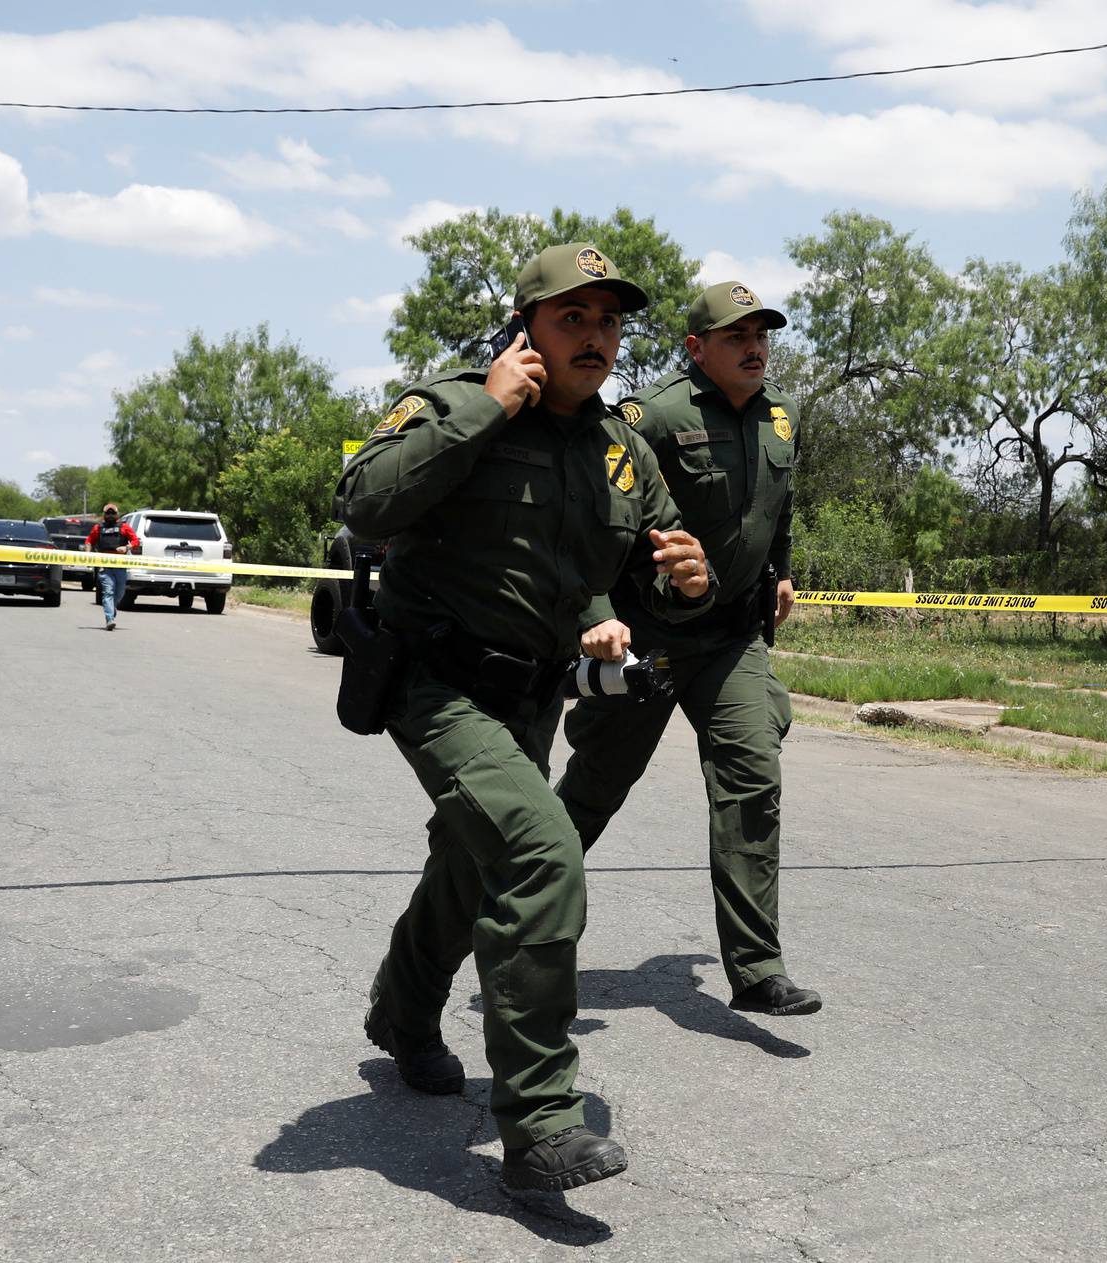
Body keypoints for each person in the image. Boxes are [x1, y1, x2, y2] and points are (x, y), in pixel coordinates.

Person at [339, 243, 714, 1193]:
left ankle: (403, 1010)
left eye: (610, 321)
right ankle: (542, 1123)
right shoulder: (456, 400)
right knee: (541, 852)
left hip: (533, 693)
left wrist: (684, 583)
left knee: (472, 861)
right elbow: (363, 502)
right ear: (528, 325)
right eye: (573, 318)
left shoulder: (623, 450)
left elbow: (642, 584)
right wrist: (486, 406)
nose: (596, 337)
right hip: (436, 684)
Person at [554, 280, 819, 1019]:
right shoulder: (655, 415)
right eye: (737, 336)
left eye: (763, 334)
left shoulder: (781, 418)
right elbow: (600, 516)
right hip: (650, 636)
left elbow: (779, 503)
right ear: (697, 348)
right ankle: (523, 930)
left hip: (731, 636)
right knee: (592, 791)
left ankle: (758, 968)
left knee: (751, 778)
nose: (756, 346)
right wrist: (600, 616)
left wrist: (784, 570)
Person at [85, 503, 137, 630]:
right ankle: (109, 619)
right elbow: (89, 541)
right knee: (108, 592)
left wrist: (127, 547)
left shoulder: (124, 527)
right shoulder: (98, 528)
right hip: (105, 565)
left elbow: (135, 540)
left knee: (119, 592)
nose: (110, 515)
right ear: (104, 515)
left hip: (120, 565)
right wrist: (87, 555)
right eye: (107, 513)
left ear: (117, 514)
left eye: (112, 513)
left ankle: (112, 608)